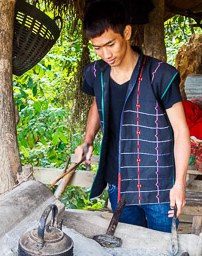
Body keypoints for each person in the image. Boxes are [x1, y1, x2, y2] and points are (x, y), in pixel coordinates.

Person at [74, 0, 190, 233]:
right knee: (129, 246)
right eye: (97, 47)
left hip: (157, 185)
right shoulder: (97, 73)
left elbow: (181, 131)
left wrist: (179, 184)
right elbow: (98, 102)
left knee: (163, 250)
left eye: (110, 44)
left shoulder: (160, 75)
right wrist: (88, 139)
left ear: (126, 33)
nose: (105, 54)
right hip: (119, 183)